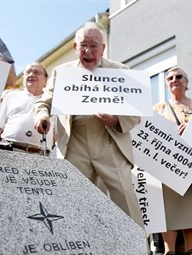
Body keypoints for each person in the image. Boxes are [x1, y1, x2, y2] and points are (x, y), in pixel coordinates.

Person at [34, 23, 144, 228]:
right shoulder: (61, 72)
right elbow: (44, 102)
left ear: (103, 48)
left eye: (94, 46)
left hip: (109, 140)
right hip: (74, 142)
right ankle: (77, 251)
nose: (88, 51)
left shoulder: (122, 71)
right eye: (83, 45)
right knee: (72, 200)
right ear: (75, 47)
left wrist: (116, 120)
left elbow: (135, 110)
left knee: (125, 197)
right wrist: (42, 116)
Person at [153, 66, 192, 255]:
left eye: (179, 77)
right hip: (168, 166)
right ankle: (169, 251)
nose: (174, 80)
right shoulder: (159, 108)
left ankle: (190, 249)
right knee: (168, 208)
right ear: (167, 84)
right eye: (170, 77)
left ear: (186, 82)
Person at [0, 63, 52, 155]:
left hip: (40, 156)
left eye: (36, 72)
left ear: (46, 80)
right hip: (8, 151)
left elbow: (57, 134)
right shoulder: (11, 96)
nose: (31, 75)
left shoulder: (52, 101)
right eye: (28, 72)